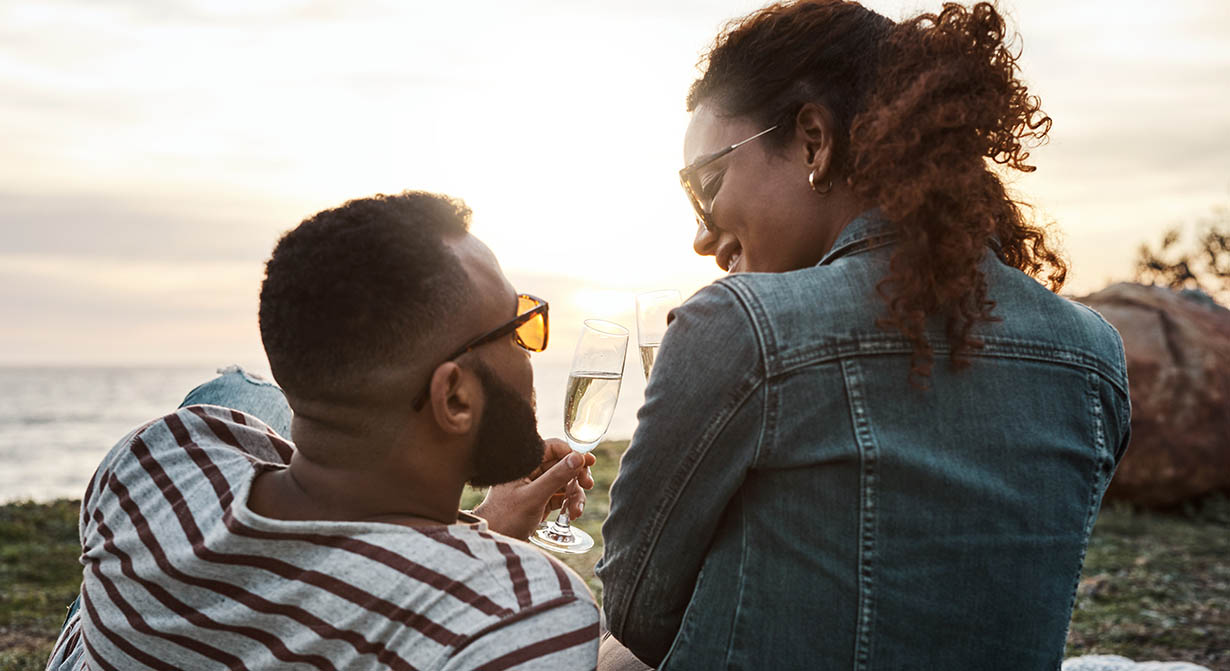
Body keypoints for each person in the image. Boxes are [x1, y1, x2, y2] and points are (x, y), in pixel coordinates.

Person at [595, 2, 1131, 669]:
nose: (701, 233)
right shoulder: (1096, 358)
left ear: (814, 141)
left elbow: (636, 613)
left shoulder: (741, 327)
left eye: (707, 185)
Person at [46, 192, 601, 670]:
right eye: (521, 326)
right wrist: (487, 545)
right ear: (454, 397)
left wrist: (483, 527)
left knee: (238, 393)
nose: (531, 349)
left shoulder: (156, 462)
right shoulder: (525, 613)